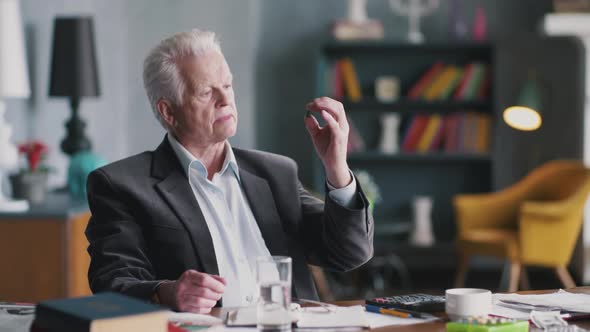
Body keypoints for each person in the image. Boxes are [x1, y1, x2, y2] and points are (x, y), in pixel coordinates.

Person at [85, 29, 374, 313]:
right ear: (168, 112)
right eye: (206, 92)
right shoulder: (123, 186)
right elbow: (111, 280)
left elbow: (349, 254)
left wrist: (336, 168)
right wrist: (166, 293)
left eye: (227, 85)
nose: (225, 100)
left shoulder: (275, 173)